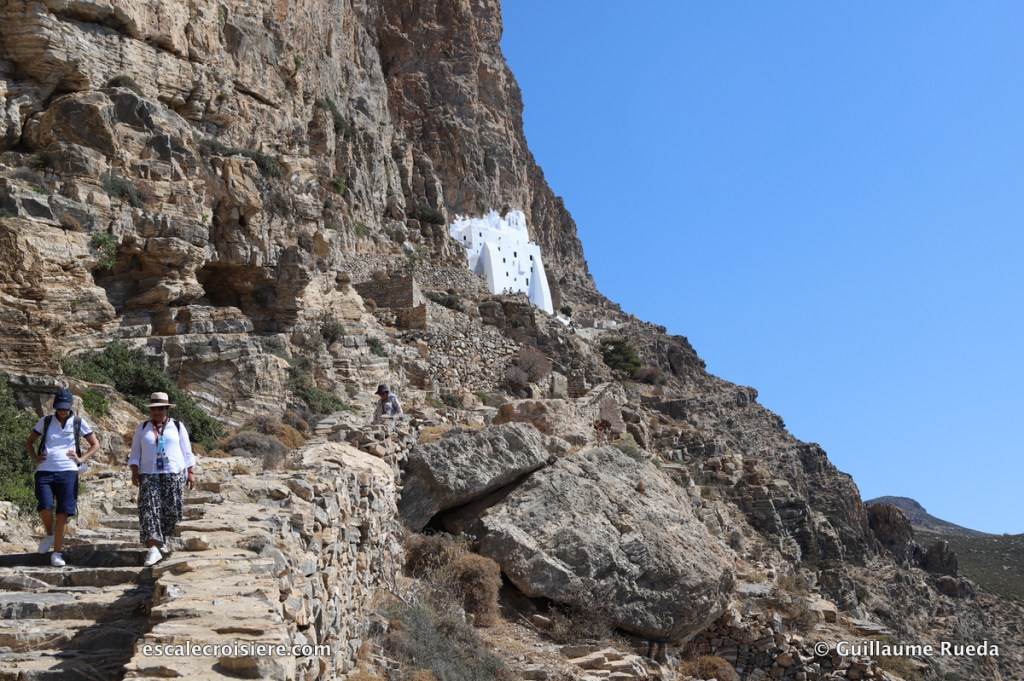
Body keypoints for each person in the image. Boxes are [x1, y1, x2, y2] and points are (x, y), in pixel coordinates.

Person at [23, 388, 101, 567]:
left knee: (63, 514)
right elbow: (29, 442)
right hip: (45, 470)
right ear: (55, 407)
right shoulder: (46, 421)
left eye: (65, 408)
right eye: (59, 408)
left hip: (68, 471)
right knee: (44, 506)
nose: (63, 411)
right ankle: (49, 534)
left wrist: (81, 459)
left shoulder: (79, 422)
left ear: (70, 407)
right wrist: (35, 458)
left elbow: (95, 444)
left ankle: (56, 553)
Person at [128, 392, 196, 567]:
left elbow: (187, 451)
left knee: (171, 509)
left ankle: (164, 542)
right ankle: (152, 547)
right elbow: (135, 452)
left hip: (172, 473)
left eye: (161, 408)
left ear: (167, 409)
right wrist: (135, 471)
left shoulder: (178, 427)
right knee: (149, 508)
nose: (157, 412)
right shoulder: (142, 428)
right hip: (149, 473)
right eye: (154, 409)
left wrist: (190, 471)